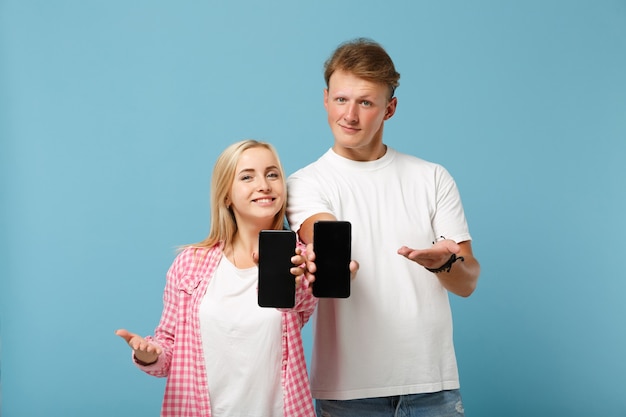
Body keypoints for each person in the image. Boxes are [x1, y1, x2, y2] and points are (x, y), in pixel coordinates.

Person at [286, 38, 481, 417]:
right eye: (341, 100)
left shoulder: (433, 178)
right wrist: (336, 264)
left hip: (432, 385)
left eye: (366, 102)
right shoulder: (305, 184)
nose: (350, 116)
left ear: (389, 109)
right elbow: (327, 243)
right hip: (349, 390)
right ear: (325, 99)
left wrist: (441, 265)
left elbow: (468, 281)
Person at [116, 140, 317, 417]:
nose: (264, 185)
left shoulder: (300, 260)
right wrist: (149, 354)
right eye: (247, 176)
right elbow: (169, 350)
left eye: (272, 174)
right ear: (226, 195)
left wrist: (301, 276)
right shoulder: (190, 264)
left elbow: (305, 301)